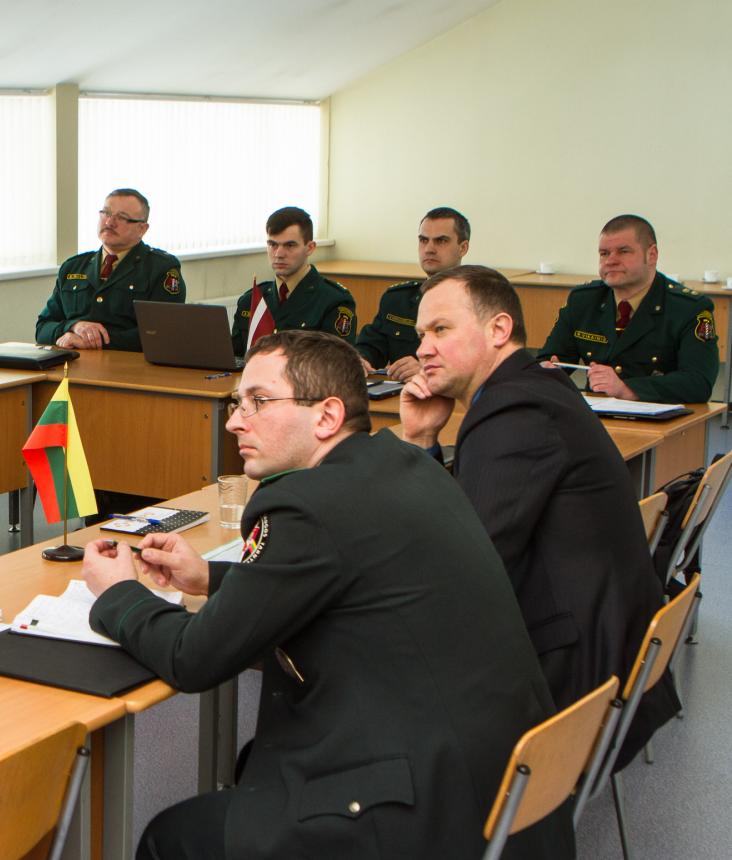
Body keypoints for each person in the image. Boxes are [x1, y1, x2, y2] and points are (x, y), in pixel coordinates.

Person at [81, 330, 569, 859]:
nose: (234, 421)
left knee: (170, 838)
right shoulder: (398, 463)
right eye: (236, 402)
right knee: (251, 766)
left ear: (327, 416)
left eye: (259, 402)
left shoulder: (304, 506)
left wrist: (120, 594)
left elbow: (194, 658)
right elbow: (341, 578)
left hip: (421, 812)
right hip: (498, 779)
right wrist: (210, 579)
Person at [400, 264, 679, 762]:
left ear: (499, 329)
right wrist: (424, 440)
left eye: (441, 329)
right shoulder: (536, 386)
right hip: (608, 658)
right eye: (421, 334)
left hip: (571, 683)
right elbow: (468, 527)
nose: (423, 349)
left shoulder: (512, 412)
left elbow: (464, 563)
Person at [540, 214, 717, 403]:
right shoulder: (583, 301)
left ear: (652, 255)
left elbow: (698, 382)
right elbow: (552, 358)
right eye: (604, 253)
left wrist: (626, 389)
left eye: (623, 251)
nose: (610, 260)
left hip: (659, 420)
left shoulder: (689, 308)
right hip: (595, 418)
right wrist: (546, 370)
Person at [34, 189, 185, 351]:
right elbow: (42, 328)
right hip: (71, 367)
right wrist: (73, 326)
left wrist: (95, 341)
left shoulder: (161, 268)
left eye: (122, 217)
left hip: (129, 370)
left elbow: (160, 334)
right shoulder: (73, 267)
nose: (110, 222)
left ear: (142, 229)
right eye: (106, 213)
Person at [354, 206, 471, 381]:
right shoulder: (397, 300)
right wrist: (360, 359)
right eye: (423, 240)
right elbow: (373, 345)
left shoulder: (476, 301)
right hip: (401, 396)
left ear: (463, 248)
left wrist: (428, 369)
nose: (429, 249)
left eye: (441, 241)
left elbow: (480, 362)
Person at [232, 207, 356, 356]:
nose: (278, 254)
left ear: (310, 248)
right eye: (273, 245)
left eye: (289, 245)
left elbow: (336, 363)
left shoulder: (334, 300)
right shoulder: (251, 300)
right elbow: (235, 359)